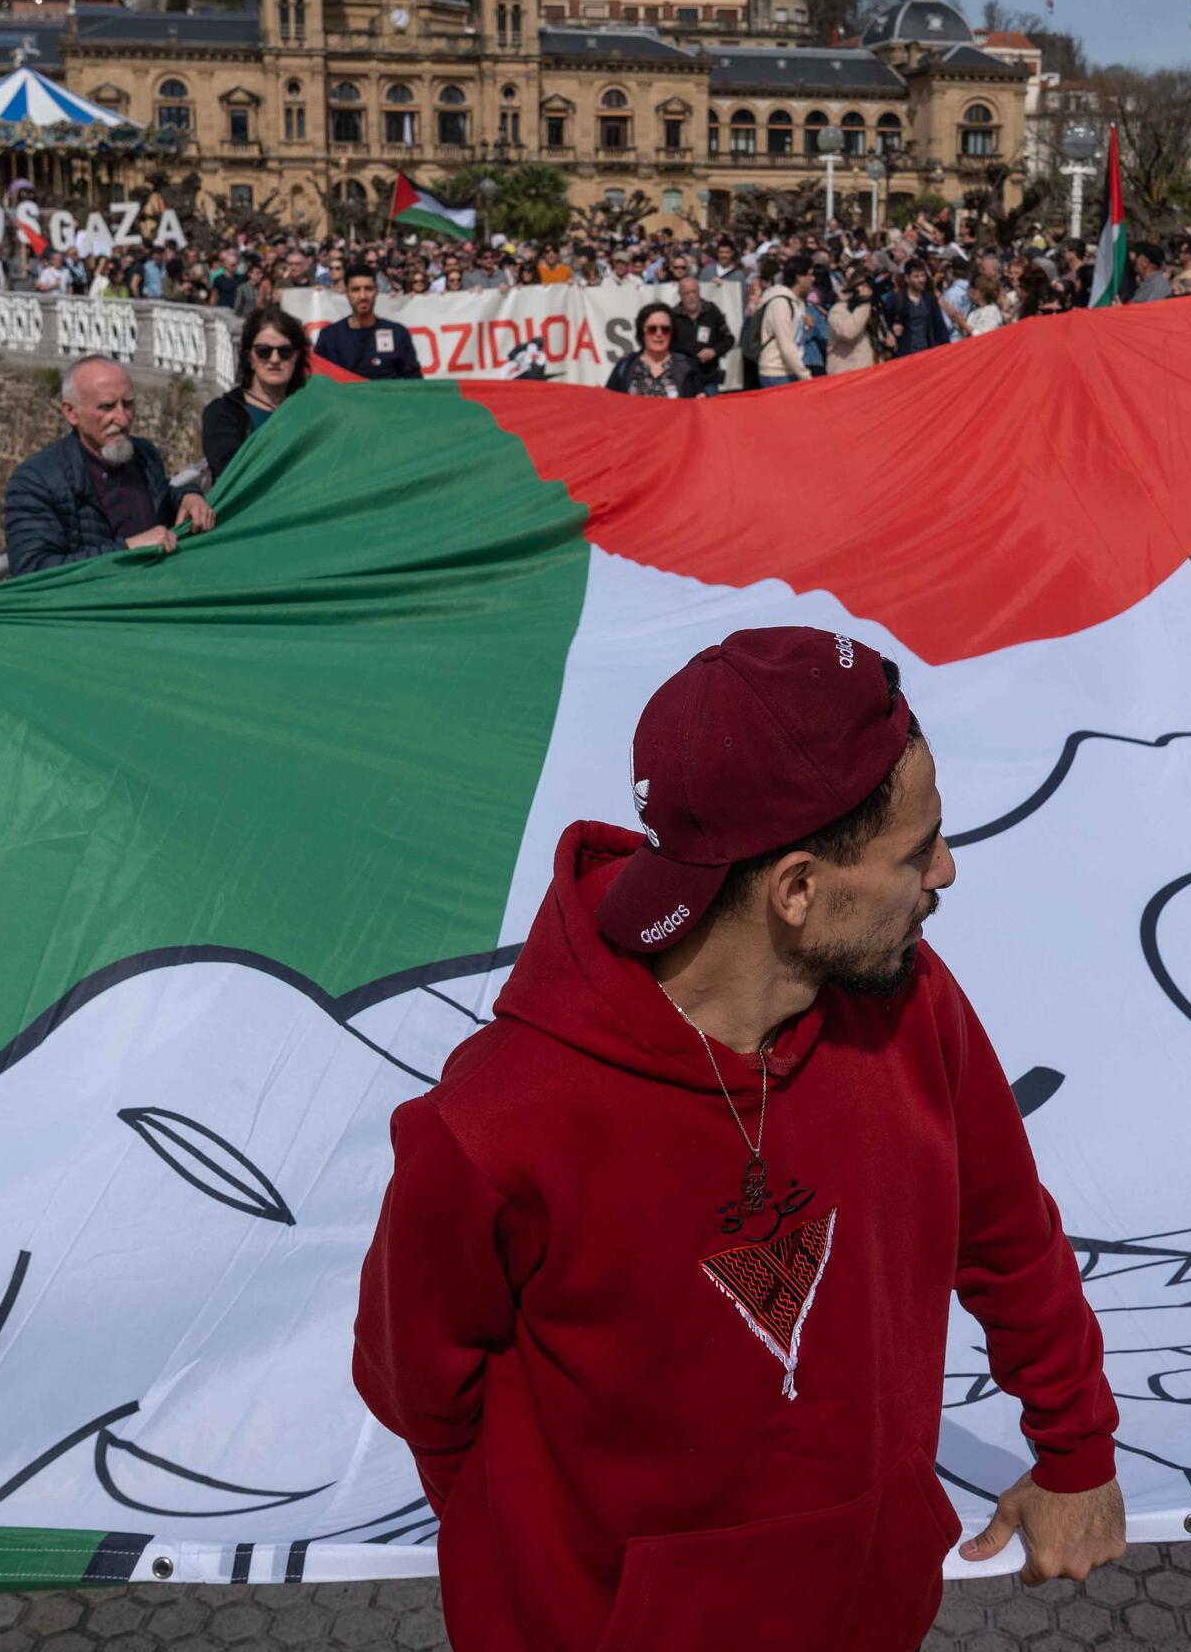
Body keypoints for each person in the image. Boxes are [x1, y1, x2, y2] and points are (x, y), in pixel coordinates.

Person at [355, 627, 1123, 1652]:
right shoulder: (496, 1121)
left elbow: (1005, 1235)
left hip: (864, 1616)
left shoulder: (912, 1004)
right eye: (914, 847)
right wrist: (568, 1564)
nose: (943, 870)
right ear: (795, 889)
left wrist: (1075, 1451)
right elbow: (419, 1387)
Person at [3, 355, 214, 577]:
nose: (123, 419)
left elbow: (162, 495)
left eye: (128, 403)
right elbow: (32, 570)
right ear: (71, 413)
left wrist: (188, 496)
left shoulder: (143, 454)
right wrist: (128, 550)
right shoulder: (36, 481)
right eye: (107, 407)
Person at [204, 310, 312, 481]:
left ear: (297, 356)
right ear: (250, 357)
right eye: (264, 351)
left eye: (285, 351)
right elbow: (230, 471)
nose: (274, 359)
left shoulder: (310, 407)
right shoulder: (223, 413)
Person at [313, 264, 423, 380]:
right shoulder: (329, 336)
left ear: (376, 291)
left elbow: (414, 383)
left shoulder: (398, 334)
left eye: (368, 289)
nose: (363, 296)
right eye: (355, 290)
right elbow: (318, 383)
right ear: (347, 293)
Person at [606, 302, 703, 397]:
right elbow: (607, 402)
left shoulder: (687, 367)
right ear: (642, 331)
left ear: (672, 333)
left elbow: (698, 406)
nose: (659, 334)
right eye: (652, 329)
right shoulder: (625, 366)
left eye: (665, 329)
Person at [667, 275, 735, 393]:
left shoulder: (711, 310)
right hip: (683, 380)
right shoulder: (673, 316)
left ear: (699, 292)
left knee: (710, 411)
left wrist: (714, 351)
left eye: (693, 292)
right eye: (686, 293)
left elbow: (729, 339)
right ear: (680, 295)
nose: (691, 297)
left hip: (708, 379)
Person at [754, 255, 813, 387]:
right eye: (809, 275)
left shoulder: (799, 302)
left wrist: (806, 327)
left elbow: (796, 337)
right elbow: (786, 344)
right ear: (799, 277)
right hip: (777, 374)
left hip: (792, 370)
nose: (812, 279)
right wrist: (806, 376)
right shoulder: (780, 303)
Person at [825, 277, 886, 371]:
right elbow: (849, 332)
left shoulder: (869, 309)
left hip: (870, 372)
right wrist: (864, 303)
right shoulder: (838, 310)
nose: (869, 292)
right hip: (848, 375)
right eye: (866, 288)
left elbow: (876, 340)